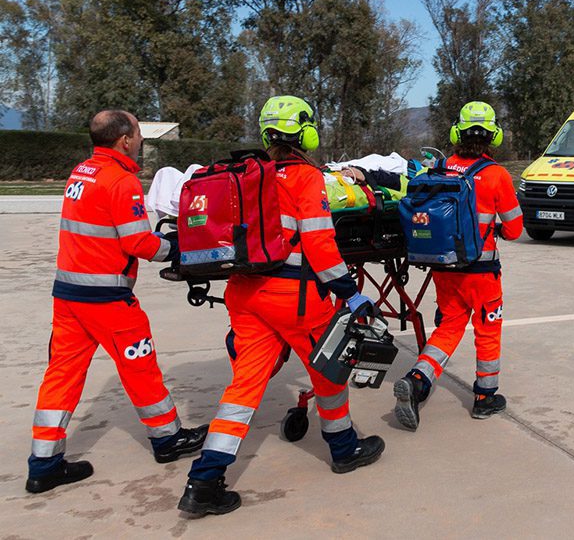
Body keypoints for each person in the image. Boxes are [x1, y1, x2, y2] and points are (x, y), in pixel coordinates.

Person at [178, 96, 384, 516]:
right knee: (330, 370)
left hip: (244, 293)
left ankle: (204, 481)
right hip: (294, 299)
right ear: (305, 133)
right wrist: (349, 291)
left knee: (243, 389)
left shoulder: (251, 174)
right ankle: (344, 449)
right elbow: (319, 244)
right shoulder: (306, 178)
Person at [27, 110, 208, 494]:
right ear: (125, 139)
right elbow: (138, 243)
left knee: (62, 374)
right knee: (140, 367)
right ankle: (167, 440)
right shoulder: (120, 182)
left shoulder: (81, 173)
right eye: (139, 133)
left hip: (68, 295)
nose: (141, 140)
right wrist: (179, 249)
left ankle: (43, 463)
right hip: (107, 298)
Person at [393, 101, 523, 430]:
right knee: (487, 331)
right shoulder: (496, 175)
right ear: (493, 135)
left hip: (444, 268)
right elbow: (514, 229)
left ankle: (418, 379)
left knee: (449, 327)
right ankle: (485, 397)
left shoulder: (439, 169)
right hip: (481, 273)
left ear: (456, 133)